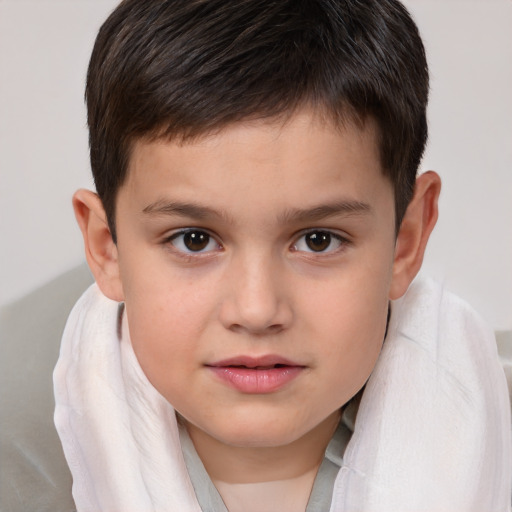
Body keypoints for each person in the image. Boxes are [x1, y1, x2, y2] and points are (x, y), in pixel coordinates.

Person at [50, 0, 510, 511]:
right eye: (194, 240)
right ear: (104, 247)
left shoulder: (494, 419)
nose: (256, 309)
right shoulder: (18, 461)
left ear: (406, 240)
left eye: (318, 240)